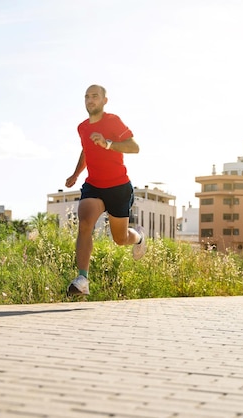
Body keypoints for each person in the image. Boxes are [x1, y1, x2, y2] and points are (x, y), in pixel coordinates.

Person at [65, 84, 146, 296]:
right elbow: (86, 150)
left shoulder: (113, 121)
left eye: (95, 96)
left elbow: (134, 147)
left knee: (120, 239)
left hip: (118, 187)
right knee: (84, 223)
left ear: (104, 101)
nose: (90, 100)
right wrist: (75, 174)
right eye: (87, 97)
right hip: (94, 185)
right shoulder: (82, 127)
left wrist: (108, 143)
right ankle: (82, 278)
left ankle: (138, 237)